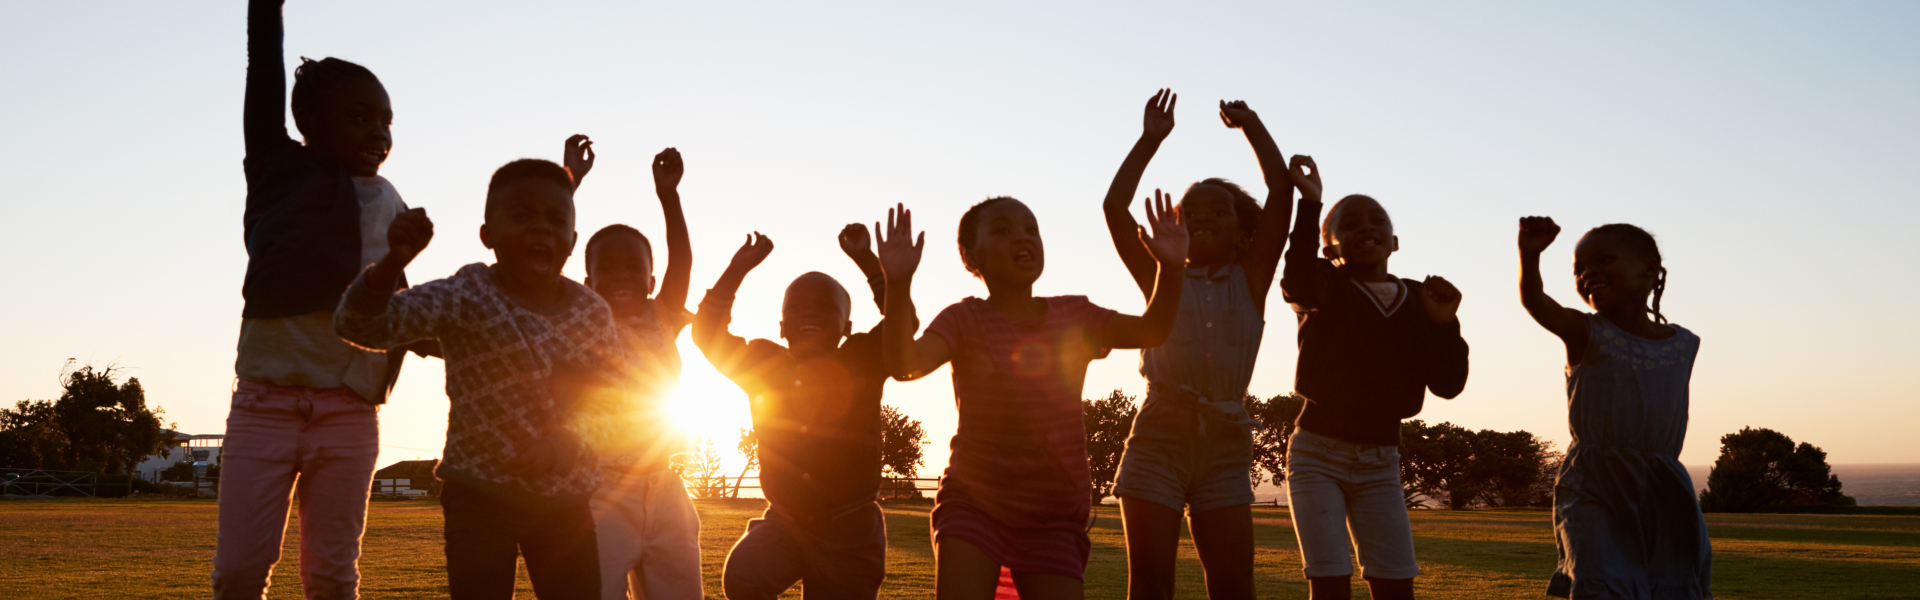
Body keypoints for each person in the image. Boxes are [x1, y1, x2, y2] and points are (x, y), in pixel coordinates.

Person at [336, 159, 621, 599]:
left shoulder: (591, 312)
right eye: (522, 216)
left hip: (566, 504)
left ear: (572, 240)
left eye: (555, 220)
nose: (541, 229)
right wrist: (393, 263)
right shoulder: (466, 293)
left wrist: (562, 443)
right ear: (487, 235)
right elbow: (360, 327)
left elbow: (613, 403)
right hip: (479, 498)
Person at [882, 197, 1188, 600]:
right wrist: (898, 283)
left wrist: (1169, 268)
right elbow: (905, 366)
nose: (1023, 237)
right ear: (971, 258)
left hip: (1053, 519)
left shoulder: (1076, 317)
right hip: (974, 505)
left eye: (1031, 228)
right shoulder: (964, 320)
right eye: (1003, 230)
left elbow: (1152, 331)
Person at [216, 1, 423, 597]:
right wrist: (267, 7)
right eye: (359, 117)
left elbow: (398, 307)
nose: (378, 133)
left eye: (386, 121)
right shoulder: (276, 166)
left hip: (349, 411)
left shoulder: (391, 202)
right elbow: (263, 69)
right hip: (264, 406)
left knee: (332, 577)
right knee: (238, 573)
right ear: (307, 118)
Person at [1101, 90, 1293, 600]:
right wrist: (1149, 140)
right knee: (1150, 583)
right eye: (1191, 210)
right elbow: (1115, 208)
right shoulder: (1160, 274)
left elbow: (1281, 192)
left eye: (1219, 210)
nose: (1202, 216)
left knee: (1233, 585)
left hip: (1227, 441)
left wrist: (1250, 124)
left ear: (1243, 233)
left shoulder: (1252, 277)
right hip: (1159, 435)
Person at [1278, 157, 1468, 600]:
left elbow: (1448, 384)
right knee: (1328, 580)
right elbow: (1297, 278)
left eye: (1377, 219)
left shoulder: (1421, 300)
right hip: (1317, 453)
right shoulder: (1324, 285)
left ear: (1395, 240)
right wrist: (1310, 203)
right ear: (1330, 249)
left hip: (1382, 459)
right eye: (1350, 222)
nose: (1367, 226)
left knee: (1395, 582)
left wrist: (1445, 324)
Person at [692, 214, 900, 600]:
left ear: (847, 327)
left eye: (824, 307)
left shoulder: (863, 359)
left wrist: (870, 262)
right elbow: (706, 333)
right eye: (798, 308)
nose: (810, 313)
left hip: (851, 530)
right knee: (745, 575)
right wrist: (738, 268)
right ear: (781, 327)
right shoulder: (763, 365)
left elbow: (903, 323)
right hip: (786, 523)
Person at [1517, 217, 1711, 599]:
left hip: (1663, 487)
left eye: (1604, 261)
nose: (1589, 273)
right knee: (1598, 576)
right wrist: (1530, 254)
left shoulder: (1685, 343)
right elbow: (1536, 301)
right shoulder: (1585, 332)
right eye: (1579, 269)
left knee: (1668, 581)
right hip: (1594, 482)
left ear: (1650, 272)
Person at [573, 139, 704, 600]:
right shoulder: (579, 321)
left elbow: (682, 260)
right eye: (607, 269)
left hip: (665, 485)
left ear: (652, 281)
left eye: (635, 267)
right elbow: (544, 264)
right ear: (587, 284)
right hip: (600, 490)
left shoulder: (662, 316)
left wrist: (669, 196)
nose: (623, 275)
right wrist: (569, 182)